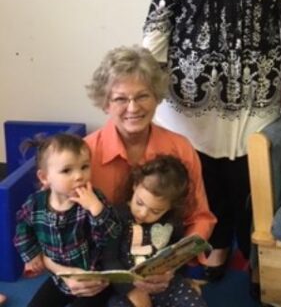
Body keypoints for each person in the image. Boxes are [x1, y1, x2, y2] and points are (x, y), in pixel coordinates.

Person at [142, 0, 281, 280]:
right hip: (191, 92)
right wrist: (142, 82)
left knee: (248, 176)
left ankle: (253, 249)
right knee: (205, 174)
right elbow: (159, 20)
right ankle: (214, 246)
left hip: (257, 87)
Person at [80, 45, 216, 297]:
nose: (133, 108)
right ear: (105, 103)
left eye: (142, 96)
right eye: (120, 98)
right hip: (102, 270)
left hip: (162, 272)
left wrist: (170, 267)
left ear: (156, 97)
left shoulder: (180, 149)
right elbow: (60, 223)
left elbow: (200, 218)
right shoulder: (84, 154)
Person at [13, 133, 121, 307]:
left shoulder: (95, 199)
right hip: (59, 279)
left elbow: (113, 235)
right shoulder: (35, 203)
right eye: (67, 170)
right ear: (44, 178)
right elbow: (22, 229)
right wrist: (30, 254)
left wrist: (96, 210)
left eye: (84, 167)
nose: (79, 176)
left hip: (94, 281)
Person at [103, 155, 207, 307]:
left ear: (170, 207)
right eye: (139, 203)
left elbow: (176, 254)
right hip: (128, 289)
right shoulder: (116, 217)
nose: (143, 213)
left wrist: (174, 273)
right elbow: (109, 260)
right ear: (135, 185)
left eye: (156, 211)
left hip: (166, 286)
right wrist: (133, 291)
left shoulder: (173, 222)